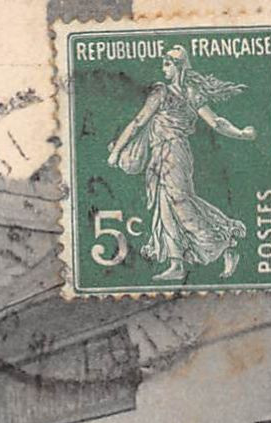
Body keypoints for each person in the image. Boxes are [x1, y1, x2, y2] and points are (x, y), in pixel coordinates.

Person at [106, 45, 254, 281]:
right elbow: (139, 122)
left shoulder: (174, 93)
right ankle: (177, 264)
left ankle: (224, 243)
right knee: (164, 207)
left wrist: (241, 134)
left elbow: (215, 122)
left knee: (180, 202)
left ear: (178, 66)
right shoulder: (171, 92)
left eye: (167, 63)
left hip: (175, 152)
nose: (163, 68)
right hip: (160, 154)